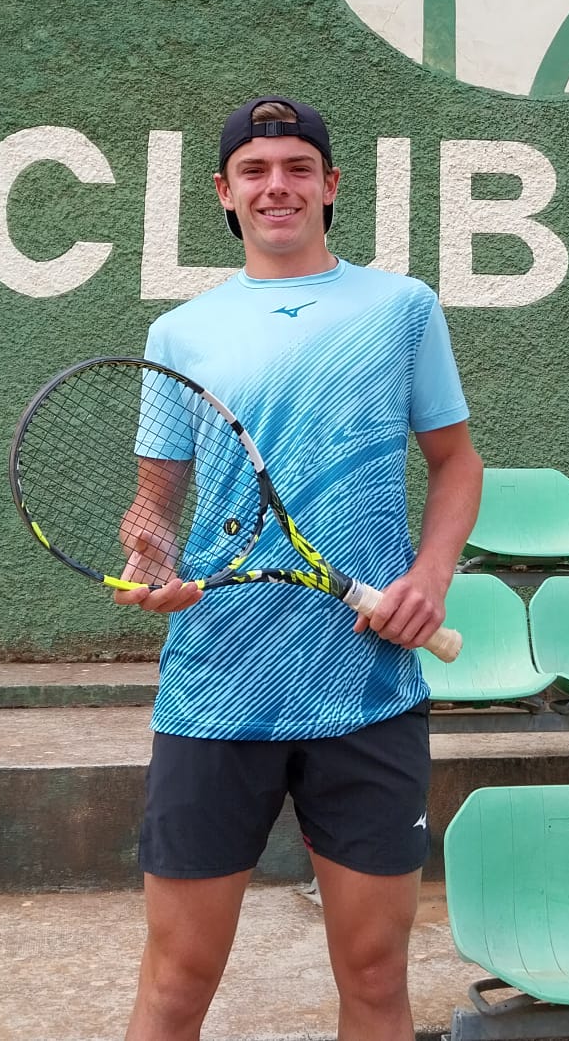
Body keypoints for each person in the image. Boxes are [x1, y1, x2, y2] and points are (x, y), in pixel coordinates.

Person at [113, 96, 483, 1041]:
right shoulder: (180, 333)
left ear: (329, 185)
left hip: (367, 688)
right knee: (177, 981)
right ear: (226, 195)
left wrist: (430, 578)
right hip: (215, 687)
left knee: (373, 975)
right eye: (255, 171)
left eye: (295, 167)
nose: (277, 185)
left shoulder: (402, 308)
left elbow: (456, 462)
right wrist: (149, 557)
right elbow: (155, 503)